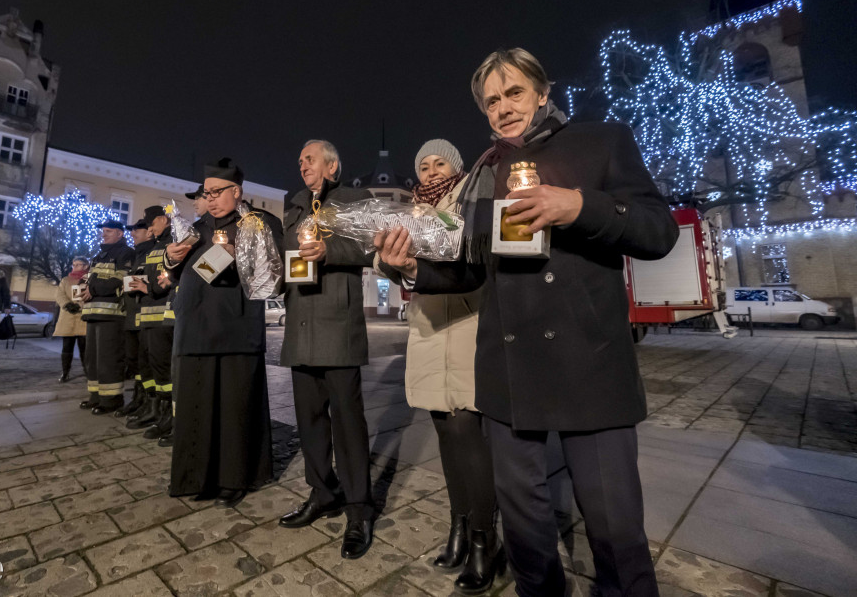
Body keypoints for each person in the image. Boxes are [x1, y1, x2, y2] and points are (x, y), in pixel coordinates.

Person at [375, 48, 678, 597]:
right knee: (527, 532)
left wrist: (579, 207)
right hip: (508, 371)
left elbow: (659, 231)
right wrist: (413, 267)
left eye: (514, 93)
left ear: (542, 91)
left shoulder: (602, 141)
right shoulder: (482, 174)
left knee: (615, 532)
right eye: (491, 101)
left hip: (591, 364)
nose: (503, 108)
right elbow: (468, 270)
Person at [375, 139, 498, 593]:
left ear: (457, 167)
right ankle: (459, 527)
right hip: (428, 329)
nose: (429, 171)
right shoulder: (411, 210)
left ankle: (486, 538)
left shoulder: (470, 200)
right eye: (423, 165)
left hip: (467, 325)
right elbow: (390, 266)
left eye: (438, 163)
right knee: (445, 433)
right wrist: (391, 257)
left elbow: (475, 260)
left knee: (469, 434)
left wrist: (413, 261)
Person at [278, 139, 376, 560]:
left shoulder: (356, 199)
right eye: (299, 160)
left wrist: (329, 249)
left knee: (347, 424)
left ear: (332, 165)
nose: (303, 165)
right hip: (300, 325)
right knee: (310, 420)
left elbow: (371, 246)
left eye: (310, 158)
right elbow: (285, 259)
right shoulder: (295, 203)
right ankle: (322, 492)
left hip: (338, 326)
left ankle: (359, 509)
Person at [165, 157, 282, 508]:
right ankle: (197, 476)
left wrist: (239, 256)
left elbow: (272, 277)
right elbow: (174, 275)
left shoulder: (258, 224)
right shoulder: (195, 228)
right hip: (194, 328)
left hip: (236, 330)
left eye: (217, 192)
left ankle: (235, 477)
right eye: (207, 193)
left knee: (235, 408)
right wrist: (170, 258)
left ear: (237, 191)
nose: (211, 198)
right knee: (196, 406)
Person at [80, 220, 136, 414]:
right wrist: (83, 287)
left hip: (112, 315)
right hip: (93, 313)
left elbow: (119, 280)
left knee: (109, 359)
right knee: (92, 359)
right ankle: (96, 396)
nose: (103, 234)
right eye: (103, 231)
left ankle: (112, 399)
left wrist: (92, 288)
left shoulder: (125, 253)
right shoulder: (99, 255)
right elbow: (90, 279)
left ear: (120, 234)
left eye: (109, 231)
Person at [132, 205, 176, 446]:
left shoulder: (173, 242)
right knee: (151, 366)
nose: (149, 229)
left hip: (162, 317)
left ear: (163, 219)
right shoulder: (156, 246)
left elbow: (166, 279)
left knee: (164, 367)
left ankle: (170, 416)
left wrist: (147, 287)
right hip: (147, 317)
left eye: (151, 224)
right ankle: (158, 410)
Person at [116, 220, 154, 418]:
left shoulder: (152, 252)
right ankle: (139, 398)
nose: (132, 233)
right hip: (132, 316)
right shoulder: (137, 254)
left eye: (136, 230)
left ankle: (149, 401)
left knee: (145, 361)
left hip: (144, 315)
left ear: (149, 232)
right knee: (134, 360)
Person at [54, 256, 89, 383]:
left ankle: (88, 371)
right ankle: (65, 372)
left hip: (83, 318)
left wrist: (80, 306)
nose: (74, 267)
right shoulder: (65, 280)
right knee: (67, 347)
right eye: (73, 264)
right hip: (68, 317)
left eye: (78, 264)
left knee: (84, 348)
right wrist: (67, 304)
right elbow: (59, 294)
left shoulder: (89, 279)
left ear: (86, 266)